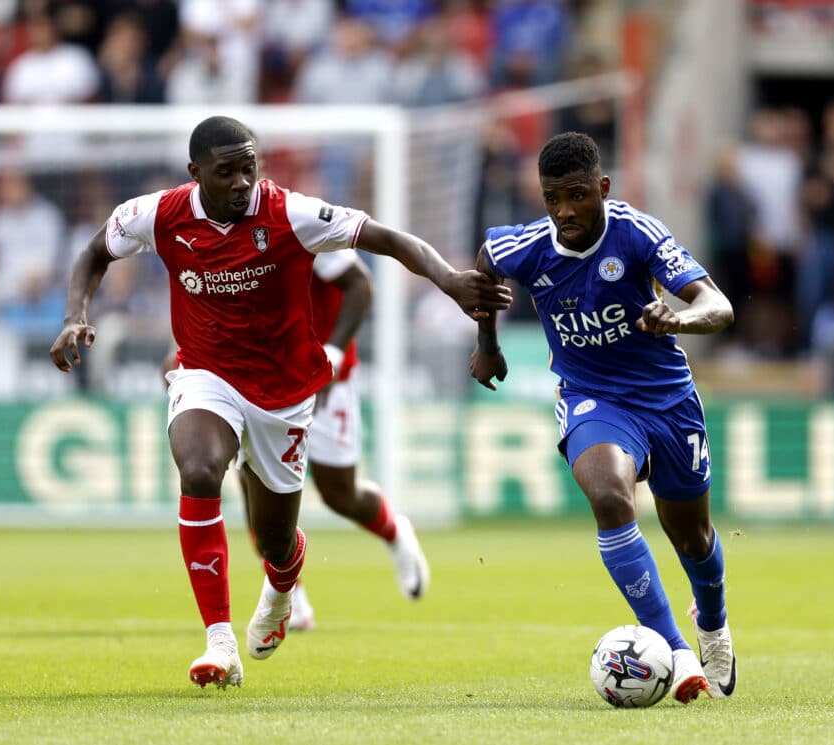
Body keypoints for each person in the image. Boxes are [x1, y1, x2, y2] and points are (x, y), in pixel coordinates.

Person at [49, 115, 511, 690]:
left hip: (286, 393)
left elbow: (386, 239)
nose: (243, 182)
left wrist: (448, 279)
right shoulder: (160, 214)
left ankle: (284, 586)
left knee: (276, 541)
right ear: (196, 174)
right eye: (228, 173)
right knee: (198, 470)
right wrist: (75, 317)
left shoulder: (290, 213)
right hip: (206, 373)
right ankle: (219, 643)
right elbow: (95, 252)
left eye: (250, 168)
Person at [469, 132, 736, 704]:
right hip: (593, 398)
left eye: (578, 196)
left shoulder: (637, 233)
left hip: (668, 399)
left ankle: (710, 626)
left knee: (692, 537)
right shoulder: (528, 247)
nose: (565, 211)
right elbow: (486, 263)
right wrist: (487, 342)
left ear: (603, 188)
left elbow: (718, 305)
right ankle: (678, 651)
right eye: (552, 198)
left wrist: (679, 319)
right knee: (610, 497)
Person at [159, 247, 431, 631]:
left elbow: (360, 285)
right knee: (251, 479)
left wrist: (333, 355)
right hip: (253, 378)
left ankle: (393, 531)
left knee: (339, 493)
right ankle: (291, 596)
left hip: (321, 380)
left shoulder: (296, 223)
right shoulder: (213, 234)